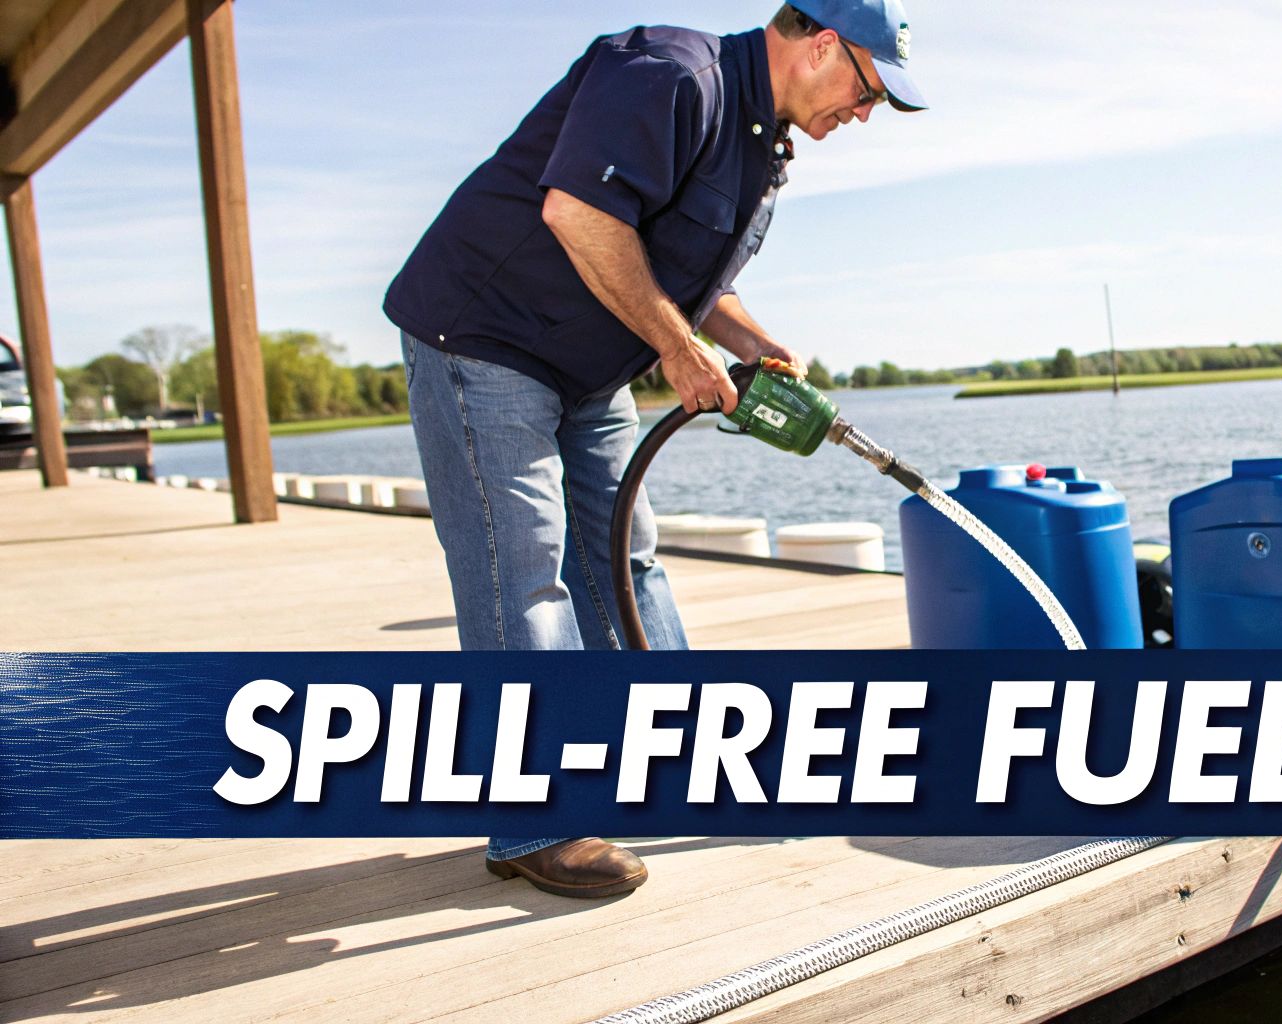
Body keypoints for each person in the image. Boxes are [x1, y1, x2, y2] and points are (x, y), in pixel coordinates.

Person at [382, 1, 926, 899]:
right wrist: (677, 349)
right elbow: (580, 214)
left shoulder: (761, 140)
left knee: (627, 564)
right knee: (522, 575)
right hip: (482, 341)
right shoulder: (673, 75)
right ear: (824, 44)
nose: (865, 115)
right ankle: (537, 820)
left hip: (589, 366)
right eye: (869, 91)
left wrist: (750, 341)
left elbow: (687, 276)